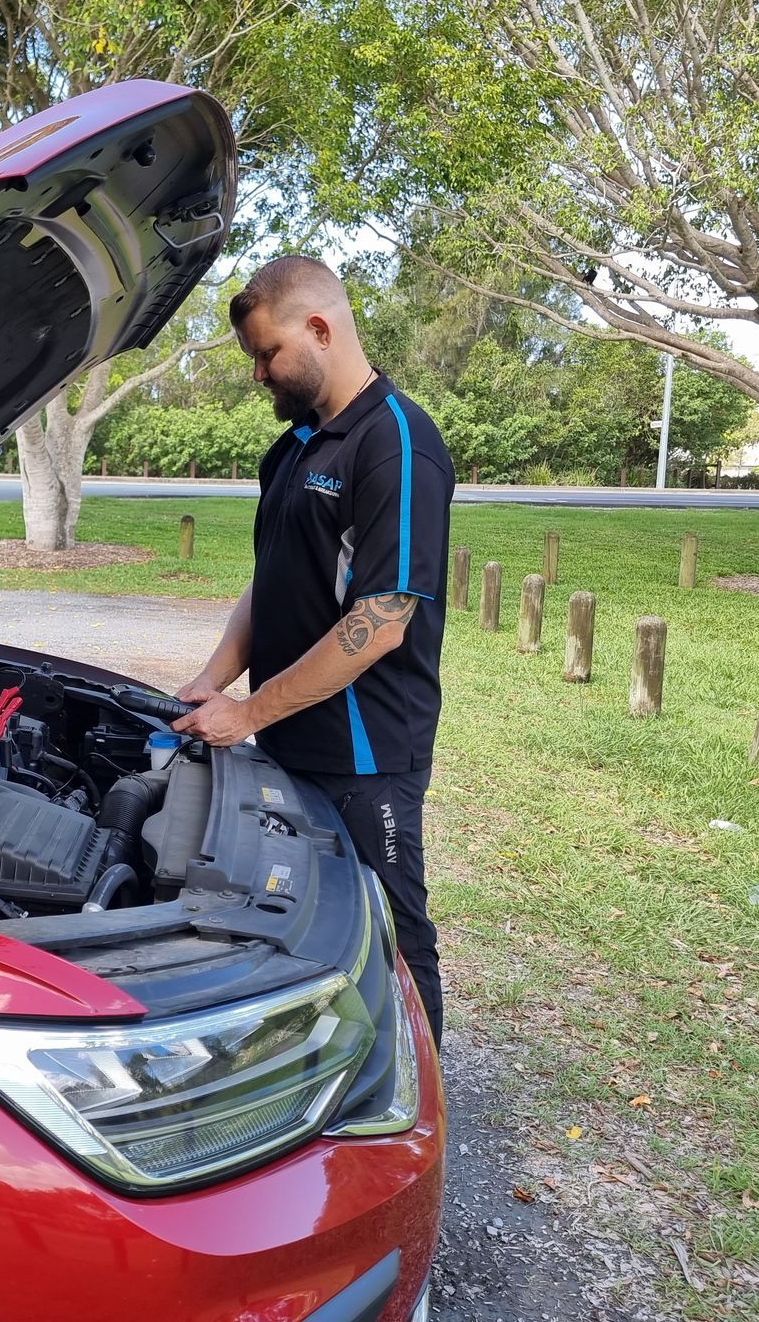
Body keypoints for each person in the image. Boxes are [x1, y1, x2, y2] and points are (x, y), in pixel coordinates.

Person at [171, 255, 455, 1047]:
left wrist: (250, 712)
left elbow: (385, 618)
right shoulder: (293, 448)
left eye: (268, 354)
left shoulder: (398, 443)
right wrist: (212, 681)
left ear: (320, 329)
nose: (259, 374)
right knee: (304, 922)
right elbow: (271, 582)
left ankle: (414, 1108)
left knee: (394, 936)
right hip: (289, 739)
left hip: (368, 756)